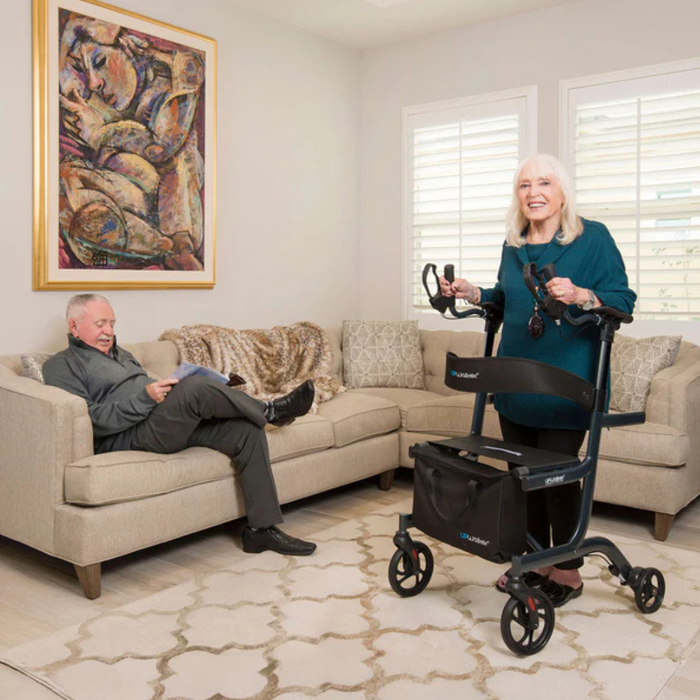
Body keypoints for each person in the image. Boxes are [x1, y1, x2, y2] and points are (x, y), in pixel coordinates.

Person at [440, 153, 636, 607]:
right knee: (522, 476)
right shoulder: (513, 244)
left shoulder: (593, 239)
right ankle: (533, 558)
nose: (534, 193)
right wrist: (474, 293)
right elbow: (507, 299)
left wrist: (582, 294)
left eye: (544, 183)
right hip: (514, 383)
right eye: (525, 185)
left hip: (565, 385)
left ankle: (566, 573)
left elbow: (623, 299)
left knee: (559, 477)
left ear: (562, 191)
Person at [43, 294, 317, 556]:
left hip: (160, 422)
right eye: (100, 323)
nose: (109, 331)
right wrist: (145, 399)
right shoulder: (61, 365)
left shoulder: (123, 354)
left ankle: (261, 531)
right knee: (195, 388)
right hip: (130, 436)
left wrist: (178, 388)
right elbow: (89, 419)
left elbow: (150, 392)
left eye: (112, 323)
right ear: (74, 327)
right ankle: (269, 410)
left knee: (246, 431)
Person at [57, 15, 205, 270]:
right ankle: (162, 251)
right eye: (84, 70)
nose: (93, 82)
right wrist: (70, 30)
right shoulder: (91, 97)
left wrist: (99, 134)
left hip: (171, 196)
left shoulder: (178, 74)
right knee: (69, 180)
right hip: (130, 201)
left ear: (128, 46)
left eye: (101, 62)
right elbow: (57, 71)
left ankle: (180, 247)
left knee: (183, 157)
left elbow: (161, 149)